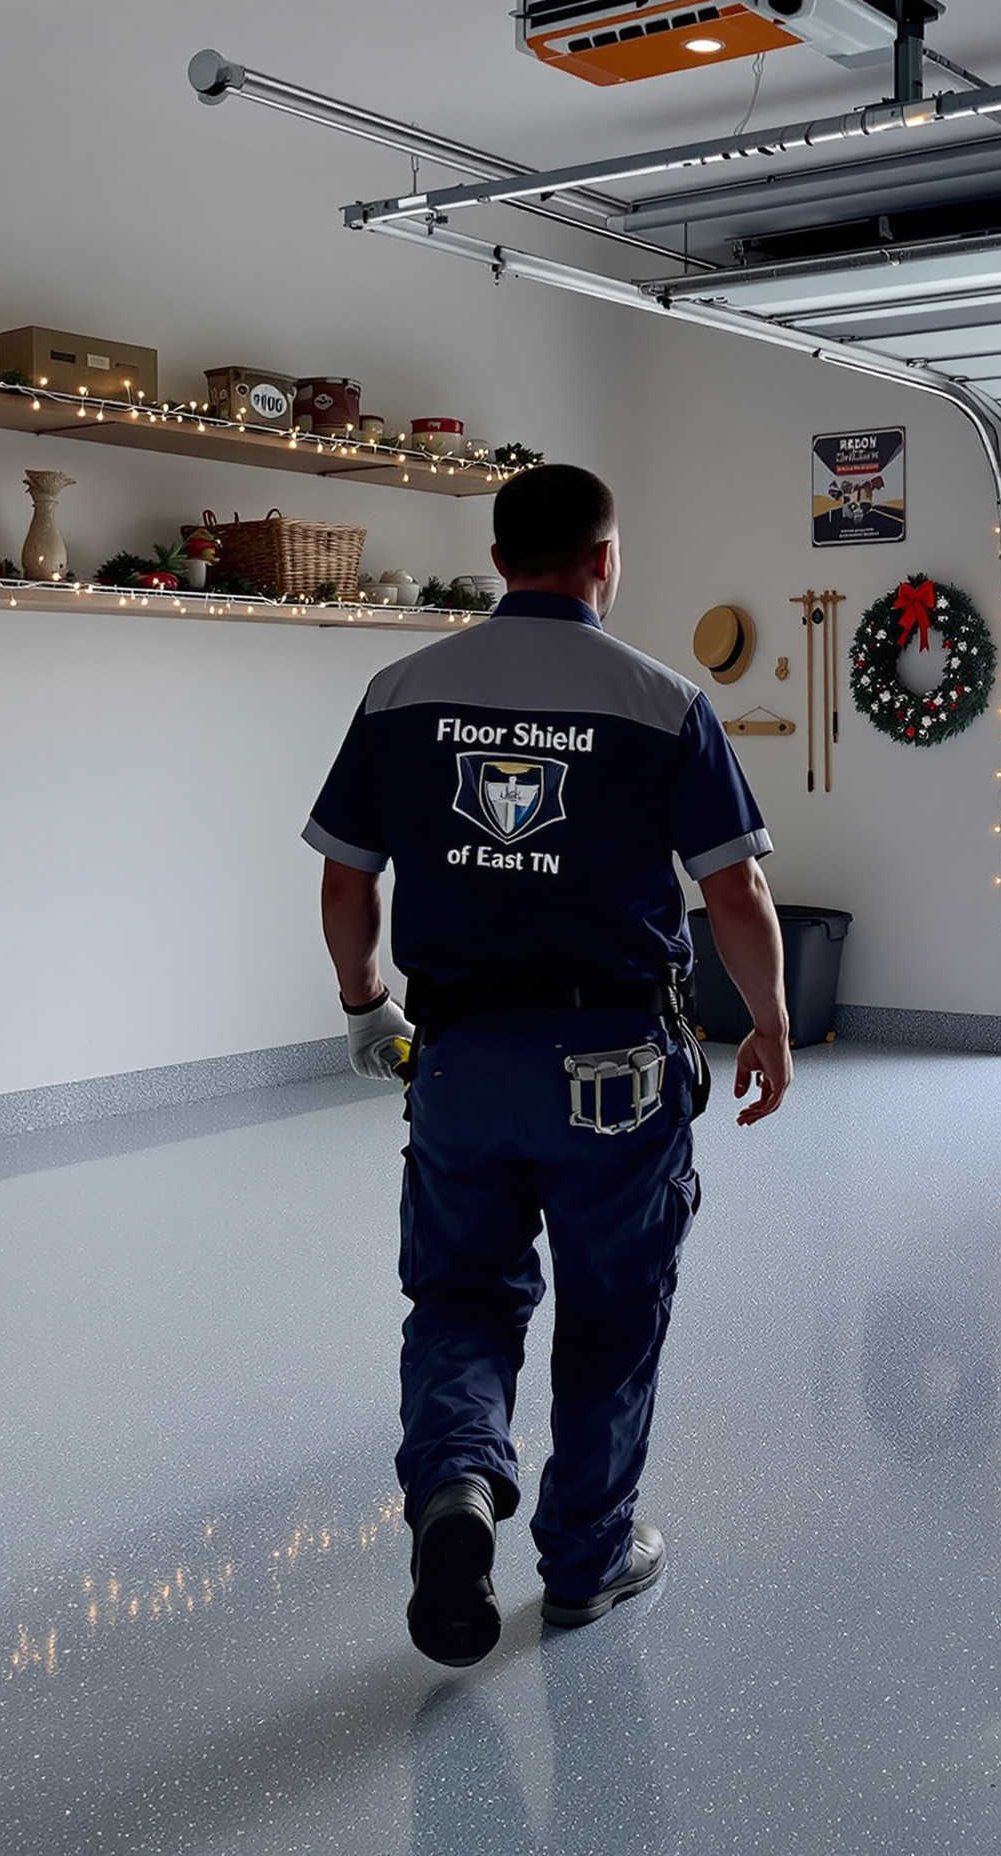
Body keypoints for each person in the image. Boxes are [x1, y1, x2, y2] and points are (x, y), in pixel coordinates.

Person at [303, 463, 793, 1668]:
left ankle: (458, 1485)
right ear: (603, 558)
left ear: (497, 556)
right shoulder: (662, 699)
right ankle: (585, 1560)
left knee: (462, 1295)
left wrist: (364, 1005)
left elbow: (346, 875)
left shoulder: (401, 692)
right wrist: (771, 1021)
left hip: (460, 1056)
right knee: (613, 1310)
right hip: (615, 1065)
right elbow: (733, 888)